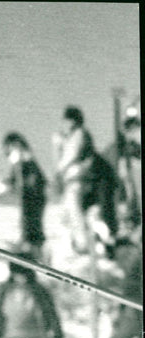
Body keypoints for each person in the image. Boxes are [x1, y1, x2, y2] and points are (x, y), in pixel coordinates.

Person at [53, 105, 118, 254]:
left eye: (67, 121)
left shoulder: (79, 134)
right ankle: (96, 240)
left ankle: (84, 243)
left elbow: (69, 157)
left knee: (74, 210)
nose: (65, 124)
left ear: (74, 121)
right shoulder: (75, 136)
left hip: (79, 180)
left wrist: (58, 148)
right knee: (78, 213)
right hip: (79, 180)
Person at [0, 132, 48, 260]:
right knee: (30, 226)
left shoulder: (24, 159)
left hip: (32, 197)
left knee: (31, 226)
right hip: (31, 197)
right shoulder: (24, 160)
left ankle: (35, 253)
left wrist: (11, 184)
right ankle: (33, 250)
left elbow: (31, 180)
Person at [97, 236, 142, 338]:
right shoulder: (129, 272)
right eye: (120, 258)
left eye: (126, 256)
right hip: (133, 316)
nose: (123, 262)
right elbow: (128, 293)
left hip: (135, 316)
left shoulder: (137, 261)